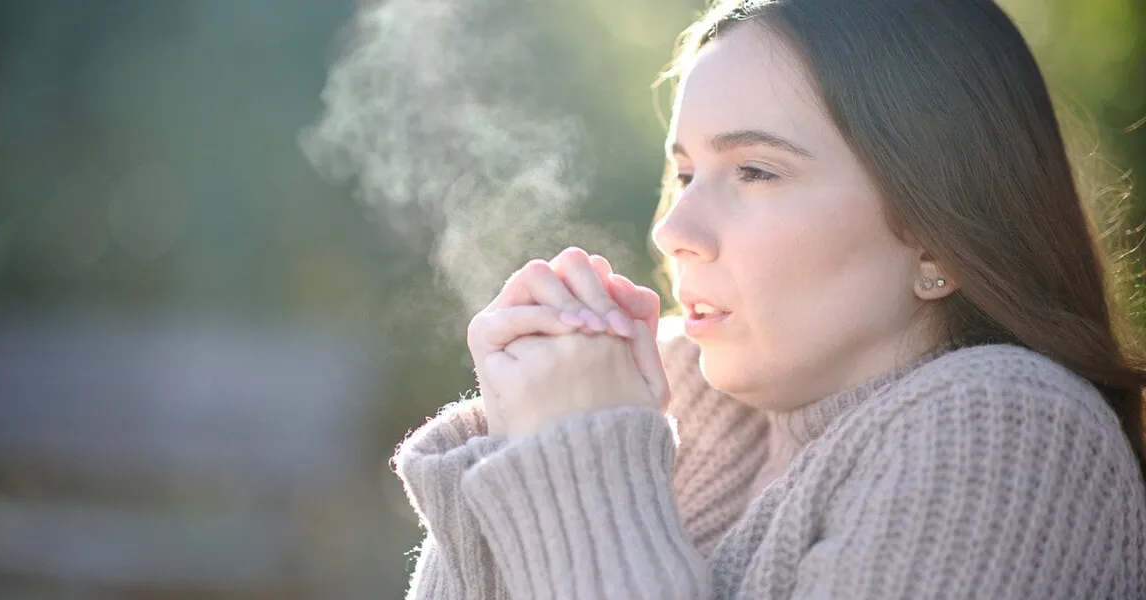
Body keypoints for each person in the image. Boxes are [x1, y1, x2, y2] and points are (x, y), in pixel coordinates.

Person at [391, 0, 1146, 598]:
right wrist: (517, 446)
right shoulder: (676, 404)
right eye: (686, 175)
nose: (671, 230)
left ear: (937, 238)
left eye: (755, 171)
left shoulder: (1008, 430)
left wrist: (582, 461)